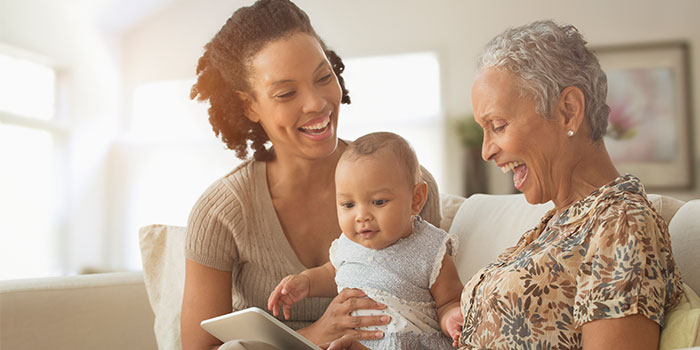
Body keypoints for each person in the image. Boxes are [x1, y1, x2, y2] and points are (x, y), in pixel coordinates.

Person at [325, 19, 684, 350]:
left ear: (568, 111)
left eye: (497, 125)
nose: (486, 151)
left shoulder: (619, 224)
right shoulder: (559, 223)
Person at [181, 1, 442, 349]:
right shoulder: (221, 213)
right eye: (287, 93)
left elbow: (438, 302)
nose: (316, 103)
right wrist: (316, 336)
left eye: (323, 77)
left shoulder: (405, 184)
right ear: (250, 105)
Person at [267, 132, 463, 349]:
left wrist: (452, 317)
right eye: (348, 205)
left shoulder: (429, 248)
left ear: (416, 199)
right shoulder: (347, 245)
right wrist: (306, 282)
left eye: (378, 202)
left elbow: (449, 301)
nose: (361, 216)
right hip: (354, 341)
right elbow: (332, 273)